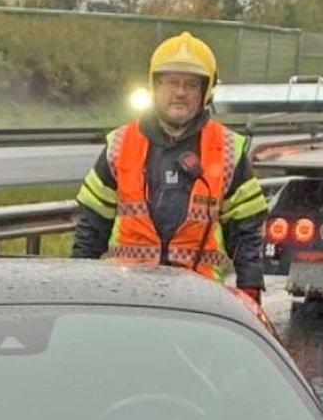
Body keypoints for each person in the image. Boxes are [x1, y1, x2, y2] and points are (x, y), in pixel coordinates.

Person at [74, 32, 270, 312]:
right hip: (127, 296)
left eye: (190, 85)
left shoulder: (227, 149)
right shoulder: (120, 145)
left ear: (207, 91)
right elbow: (90, 227)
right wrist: (80, 287)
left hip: (200, 301)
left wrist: (250, 294)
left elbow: (247, 232)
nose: (180, 92)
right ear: (155, 86)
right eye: (171, 82)